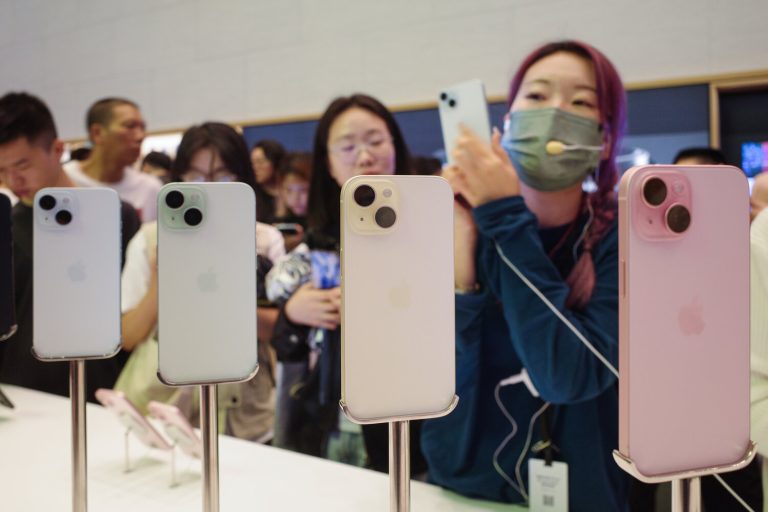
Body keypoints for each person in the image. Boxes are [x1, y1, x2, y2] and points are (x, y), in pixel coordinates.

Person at [421, 41, 628, 511]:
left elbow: (566, 377)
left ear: (606, 138)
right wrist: (464, 276)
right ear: (507, 121)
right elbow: (436, 386)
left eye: (581, 101)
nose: (555, 112)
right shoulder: (455, 224)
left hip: (583, 495)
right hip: (456, 489)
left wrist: (503, 215)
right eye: (536, 96)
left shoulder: (622, 240)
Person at [266, 94, 427, 473]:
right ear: (329, 163)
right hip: (338, 422)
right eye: (348, 147)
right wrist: (293, 312)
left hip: (423, 412)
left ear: (395, 146)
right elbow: (287, 348)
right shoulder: (318, 245)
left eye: (375, 141)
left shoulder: (434, 232)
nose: (365, 156)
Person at [117, 122, 284, 442]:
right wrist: (161, 282)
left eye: (223, 176)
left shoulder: (264, 239)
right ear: (178, 178)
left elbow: (276, 328)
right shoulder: (150, 238)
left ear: (242, 177)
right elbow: (128, 335)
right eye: (195, 176)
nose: (207, 187)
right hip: (162, 408)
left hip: (246, 414)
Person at [0, 92, 140, 402]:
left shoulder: (117, 215)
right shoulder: (6, 225)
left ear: (57, 149)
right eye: (2, 170)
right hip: (20, 392)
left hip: (103, 388)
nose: (13, 179)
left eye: (22, 164)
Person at [63, 97, 162, 221]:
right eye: (130, 126)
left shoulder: (150, 189)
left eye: (142, 128)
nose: (140, 136)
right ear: (97, 133)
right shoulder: (63, 180)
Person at [273, 151, 311, 252]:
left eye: (303, 190)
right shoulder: (280, 219)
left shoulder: (324, 225)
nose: (295, 199)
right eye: (289, 190)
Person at [251, 139, 286, 223]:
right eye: (252, 163)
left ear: (275, 161)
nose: (255, 167)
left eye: (260, 162)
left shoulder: (289, 191)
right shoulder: (252, 194)